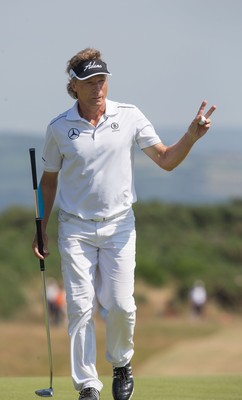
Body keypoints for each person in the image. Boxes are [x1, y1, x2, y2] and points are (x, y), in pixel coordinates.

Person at [32, 47, 216, 400]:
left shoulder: (129, 116)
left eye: (102, 80)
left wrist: (190, 136)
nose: (98, 87)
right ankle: (87, 385)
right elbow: (49, 180)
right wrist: (39, 227)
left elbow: (165, 159)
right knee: (80, 307)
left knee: (120, 305)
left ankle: (121, 363)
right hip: (75, 228)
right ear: (74, 85)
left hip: (119, 226)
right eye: (89, 81)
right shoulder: (58, 128)